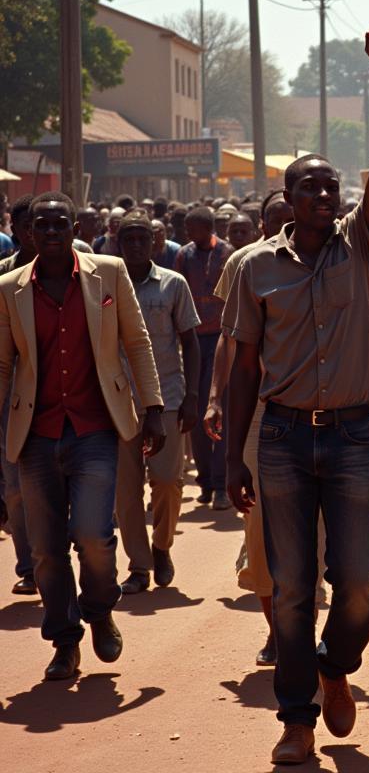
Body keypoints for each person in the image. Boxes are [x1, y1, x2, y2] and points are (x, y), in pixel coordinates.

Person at [223, 26, 369, 766]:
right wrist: (232, 455)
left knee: (355, 586)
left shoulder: (362, 243)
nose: (325, 196)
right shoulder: (254, 268)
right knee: (292, 587)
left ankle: (336, 668)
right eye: (311, 187)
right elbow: (239, 367)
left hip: (355, 436)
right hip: (284, 442)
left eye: (333, 186)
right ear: (288, 199)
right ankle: (295, 718)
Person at [0, 192, 163, 681]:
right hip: (35, 434)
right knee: (46, 549)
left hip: (96, 428)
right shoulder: (9, 288)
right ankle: (64, 641)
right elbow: (4, 364)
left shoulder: (107, 273)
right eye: (41, 226)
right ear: (28, 232)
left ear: (76, 228)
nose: (51, 233)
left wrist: (153, 407)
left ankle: (99, 609)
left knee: (93, 535)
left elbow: (136, 341)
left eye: (60, 224)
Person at [206, 189, 293, 667]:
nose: (284, 226)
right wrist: (217, 398)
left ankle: (297, 624)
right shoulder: (242, 263)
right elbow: (229, 339)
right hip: (255, 410)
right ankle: (276, 632)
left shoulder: (321, 258)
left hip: (304, 410)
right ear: (262, 223)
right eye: (275, 219)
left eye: (290, 218)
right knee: (259, 526)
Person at [114, 210, 200, 592]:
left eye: (141, 238)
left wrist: (195, 396)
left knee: (167, 481)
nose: (135, 245)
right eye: (128, 238)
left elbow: (191, 342)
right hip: (116, 403)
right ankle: (138, 566)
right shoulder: (103, 287)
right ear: (118, 242)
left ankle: (161, 546)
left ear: (154, 243)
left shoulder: (173, 284)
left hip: (167, 399)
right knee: (126, 491)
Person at [175, 206, 233, 509]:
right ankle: (207, 481)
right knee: (195, 411)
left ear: (208, 228)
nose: (188, 233)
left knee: (219, 407)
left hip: (222, 338)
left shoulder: (227, 254)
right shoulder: (184, 256)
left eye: (193, 227)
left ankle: (222, 483)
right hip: (194, 339)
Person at [0, 195, 38, 595]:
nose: (33, 234)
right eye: (25, 226)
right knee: (15, 488)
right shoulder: (2, 279)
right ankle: (29, 566)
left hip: (60, 398)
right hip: (10, 403)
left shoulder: (81, 270)